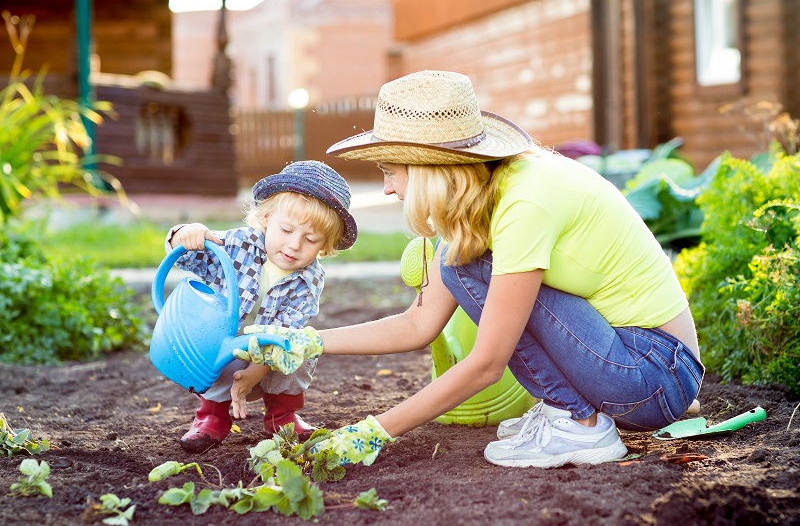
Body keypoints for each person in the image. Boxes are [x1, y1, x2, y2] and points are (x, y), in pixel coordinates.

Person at [239, 70, 704, 469]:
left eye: (391, 170)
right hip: (624, 362)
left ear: (429, 170)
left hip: (654, 375)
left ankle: (580, 424)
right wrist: (308, 341)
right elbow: (418, 324)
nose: (386, 189)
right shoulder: (488, 196)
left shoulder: (525, 202)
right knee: (459, 260)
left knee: (462, 264)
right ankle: (573, 412)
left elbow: (486, 364)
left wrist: (369, 434)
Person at [166, 160, 357, 453]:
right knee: (210, 350)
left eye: (310, 239)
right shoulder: (236, 244)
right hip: (221, 346)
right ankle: (212, 416)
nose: (294, 245)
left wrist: (256, 371)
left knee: (300, 348)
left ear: (325, 246)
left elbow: (285, 330)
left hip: (268, 351)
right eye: (286, 230)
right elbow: (185, 257)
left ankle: (282, 416)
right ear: (267, 218)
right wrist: (186, 234)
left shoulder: (309, 278)